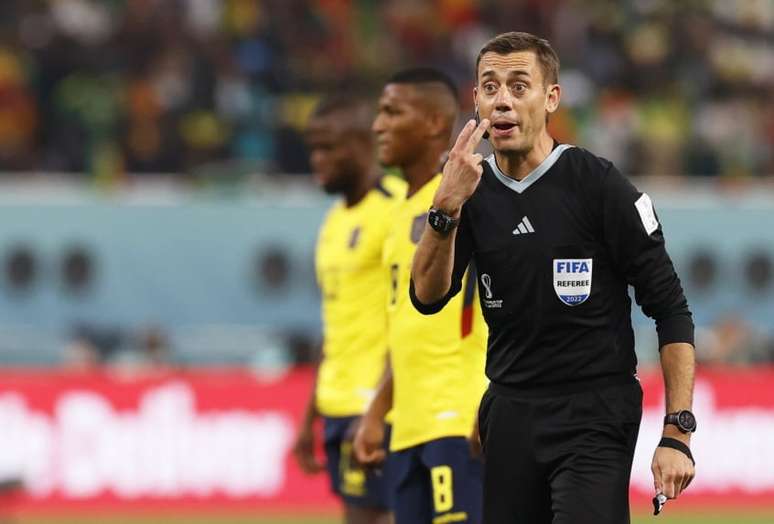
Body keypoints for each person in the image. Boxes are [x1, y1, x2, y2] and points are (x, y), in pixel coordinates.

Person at [410, 32, 697, 524]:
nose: (503, 99)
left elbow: (670, 310)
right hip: (510, 412)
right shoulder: (466, 188)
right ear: (475, 100)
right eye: (490, 87)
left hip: (594, 410)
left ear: (551, 98)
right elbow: (427, 297)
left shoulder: (597, 185)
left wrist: (677, 433)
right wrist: (444, 208)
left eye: (519, 86)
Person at [353, 68, 488, 524]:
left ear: (434, 122)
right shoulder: (398, 214)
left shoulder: (466, 200)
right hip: (407, 429)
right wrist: (378, 411)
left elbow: (512, 310)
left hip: (460, 421)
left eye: (392, 112)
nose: (378, 125)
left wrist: (493, 407)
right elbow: (408, 330)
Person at [293, 94, 403, 524]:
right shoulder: (334, 221)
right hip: (337, 405)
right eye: (313, 149)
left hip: (377, 406)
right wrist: (310, 416)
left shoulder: (397, 208)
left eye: (328, 147)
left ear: (362, 145)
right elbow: (336, 323)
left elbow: (410, 318)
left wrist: (377, 406)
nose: (316, 160)